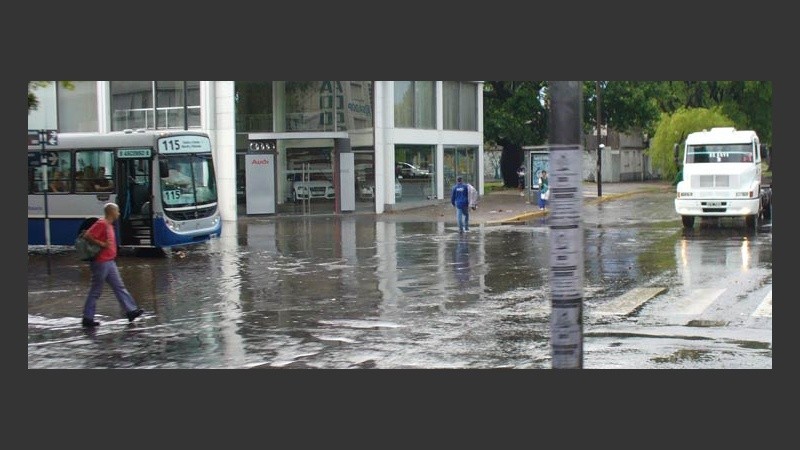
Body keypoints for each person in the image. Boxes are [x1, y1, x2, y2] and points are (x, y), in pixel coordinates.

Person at [79, 202, 144, 327]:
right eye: (117, 211)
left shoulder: (109, 225)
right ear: (111, 212)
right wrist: (102, 244)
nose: (119, 213)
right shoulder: (101, 223)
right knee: (96, 290)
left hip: (110, 261)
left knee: (119, 287)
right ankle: (87, 318)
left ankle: (131, 311)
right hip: (101, 262)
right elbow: (87, 235)